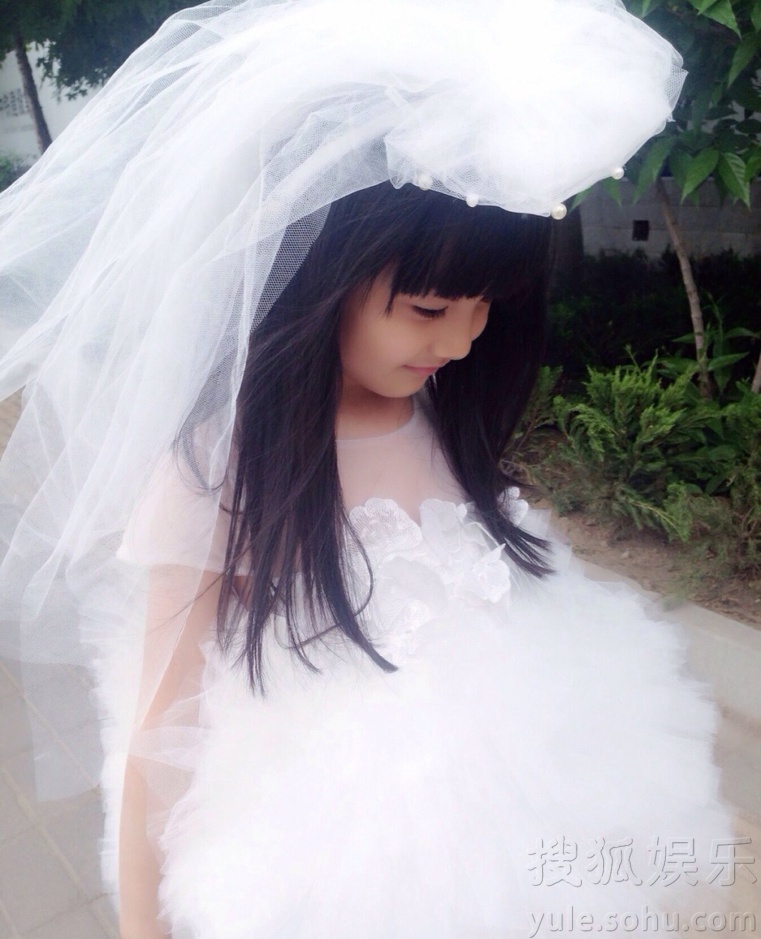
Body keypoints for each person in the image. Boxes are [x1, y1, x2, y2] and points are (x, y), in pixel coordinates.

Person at [0, 1, 736, 937]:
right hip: (325, 869)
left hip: (509, 834)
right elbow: (159, 736)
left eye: (484, 307)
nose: (461, 342)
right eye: (428, 309)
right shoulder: (220, 469)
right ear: (321, 271)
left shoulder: (438, 415)